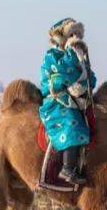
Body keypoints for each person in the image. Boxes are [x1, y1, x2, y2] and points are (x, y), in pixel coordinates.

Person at [39, 18, 97, 185]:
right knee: (72, 123)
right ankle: (67, 168)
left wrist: (83, 84)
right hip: (58, 100)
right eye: (71, 34)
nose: (75, 37)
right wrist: (73, 55)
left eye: (78, 34)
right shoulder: (52, 56)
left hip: (79, 99)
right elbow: (60, 77)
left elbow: (91, 79)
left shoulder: (79, 56)